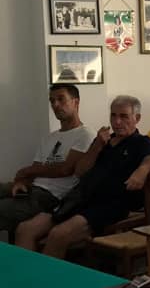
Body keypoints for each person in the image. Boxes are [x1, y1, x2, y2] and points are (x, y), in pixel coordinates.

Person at [15, 96, 150, 258]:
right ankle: (25, 279)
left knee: (58, 234)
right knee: (25, 229)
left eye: (123, 116)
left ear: (136, 118)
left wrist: (142, 171)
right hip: (80, 199)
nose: (117, 122)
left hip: (110, 204)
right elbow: (80, 171)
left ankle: (45, 282)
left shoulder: (141, 142)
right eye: (113, 115)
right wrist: (96, 146)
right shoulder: (103, 142)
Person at [0, 84, 95, 238]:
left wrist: (26, 171)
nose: (55, 105)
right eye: (52, 101)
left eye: (61, 99)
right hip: (32, 189)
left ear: (76, 102)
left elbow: (65, 169)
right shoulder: (49, 137)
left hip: (51, 197)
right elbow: (35, 169)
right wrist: (21, 180)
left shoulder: (86, 134)